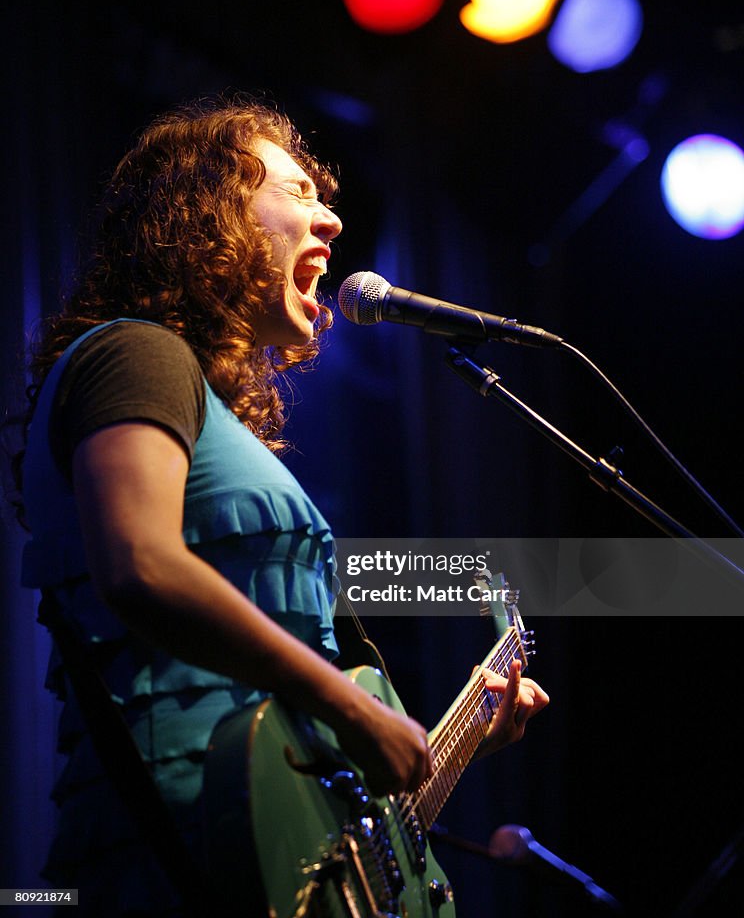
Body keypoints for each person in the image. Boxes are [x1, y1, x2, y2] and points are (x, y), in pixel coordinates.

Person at [17, 95, 548, 916]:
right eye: (298, 192)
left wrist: (456, 741)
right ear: (208, 215)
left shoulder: (205, 404)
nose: (330, 219)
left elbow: (329, 808)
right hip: (172, 851)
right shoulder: (135, 354)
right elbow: (140, 565)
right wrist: (345, 704)